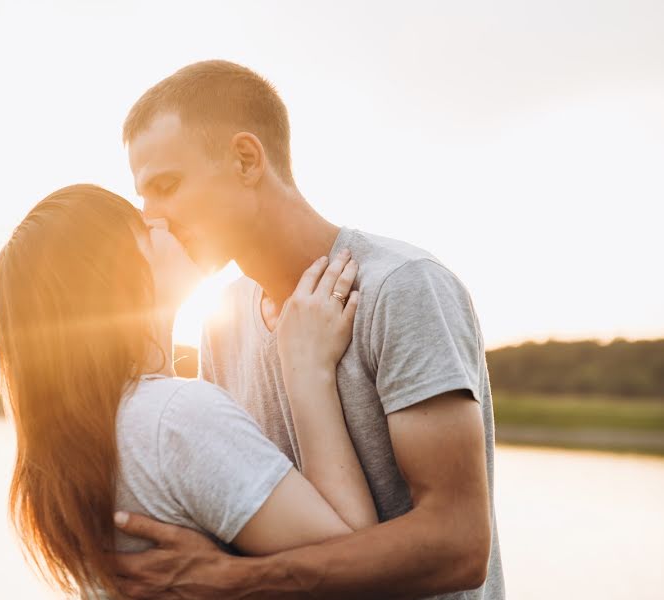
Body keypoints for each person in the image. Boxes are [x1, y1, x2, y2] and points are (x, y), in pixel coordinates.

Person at [112, 60, 504, 599]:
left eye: (167, 185)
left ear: (246, 160)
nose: (153, 218)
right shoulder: (221, 326)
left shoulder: (403, 288)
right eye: (143, 197)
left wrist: (234, 581)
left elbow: (457, 544)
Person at [0, 184, 382, 600]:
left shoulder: (80, 442)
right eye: (142, 227)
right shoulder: (175, 418)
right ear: (119, 271)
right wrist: (307, 371)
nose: (160, 220)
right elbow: (359, 566)